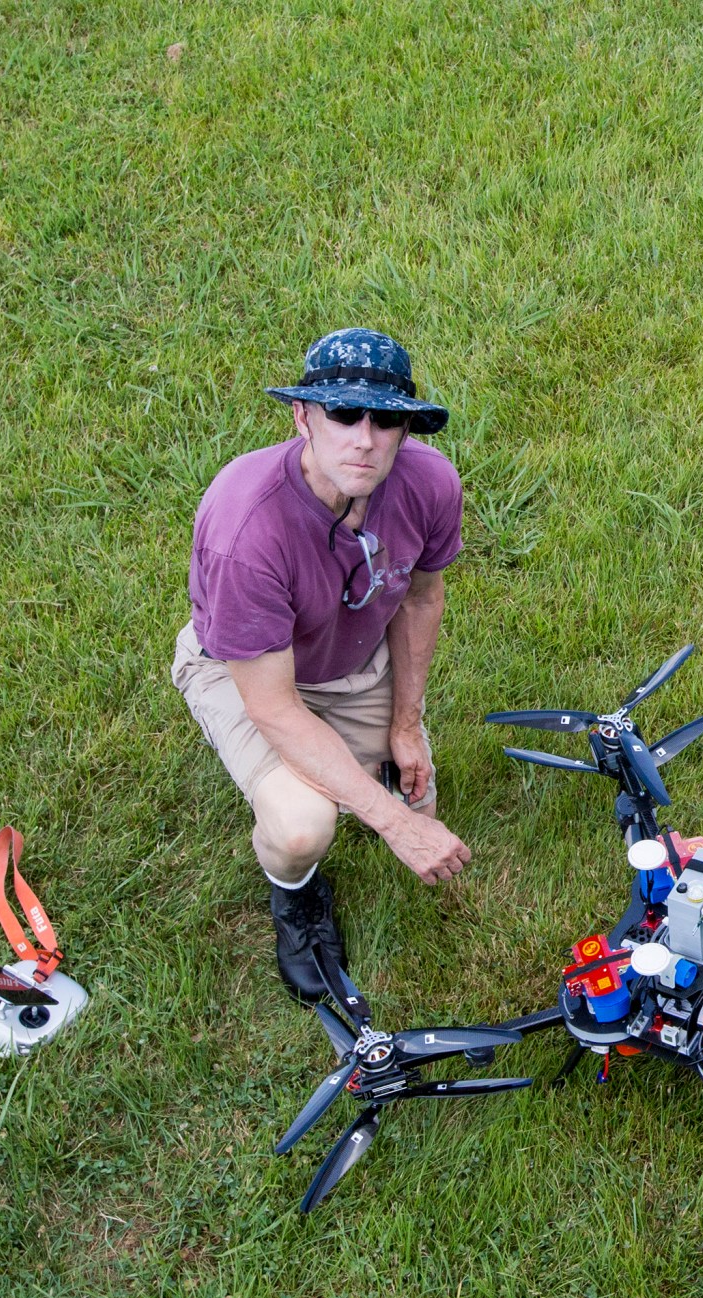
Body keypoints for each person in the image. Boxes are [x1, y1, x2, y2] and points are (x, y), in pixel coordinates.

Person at [172, 328, 471, 1002]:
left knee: (420, 789)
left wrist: (405, 722)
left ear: (404, 429)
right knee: (306, 825)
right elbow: (274, 706)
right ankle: (297, 901)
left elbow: (422, 597)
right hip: (248, 673)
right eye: (343, 414)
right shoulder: (246, 529)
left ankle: (368, 765)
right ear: (303, 416)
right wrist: (394, 827)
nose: (364, 439)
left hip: (353, 654)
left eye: (386, 419)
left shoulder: (429, 484)